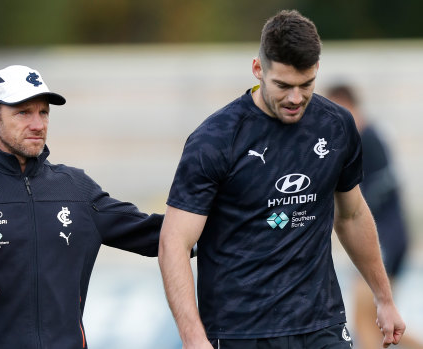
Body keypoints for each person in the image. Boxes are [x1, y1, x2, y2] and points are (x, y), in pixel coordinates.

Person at [158, 9, 405, 349]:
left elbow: (352, 215)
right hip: (240, 332)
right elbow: (174, 243)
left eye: (306, 85)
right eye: (283, 85)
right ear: (258, 70)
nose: (295, 98)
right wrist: (192, 338)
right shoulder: (215, 139)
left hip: (322, 325)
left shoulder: (336, 126)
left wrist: (385, 299)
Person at [0, 65, 163, 349]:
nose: (38, 124)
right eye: (23, 112)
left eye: (44, 112)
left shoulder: (77, 189)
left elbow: (161, 235)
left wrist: (212, 221)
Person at [326, 84, 422, 349]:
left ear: (348, 106)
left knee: (364, 320)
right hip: (391, 237)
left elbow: (373, 199)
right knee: (379, 325)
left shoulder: (365, 137)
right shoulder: (370, 136)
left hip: (386, 239)